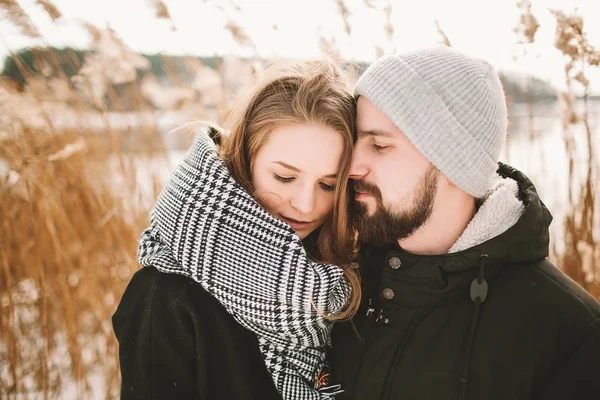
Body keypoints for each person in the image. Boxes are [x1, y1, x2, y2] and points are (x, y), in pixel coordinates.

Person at [328, 46, 600, 399]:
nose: (351, 167)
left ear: (453, 165)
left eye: (379, 145)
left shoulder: (569, 335)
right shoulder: (336, 284)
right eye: (356, 142)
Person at [112, 60, 361, 399]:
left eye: (328, 185)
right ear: (244, 160)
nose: (305, 204)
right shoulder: (168, 297)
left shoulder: (351, 283)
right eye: (284, 177)